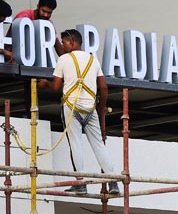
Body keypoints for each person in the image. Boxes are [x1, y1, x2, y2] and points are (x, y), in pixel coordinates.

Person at [38, 29, 120, 195]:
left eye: (64, 43)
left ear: (71, 41)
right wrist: (101, 108)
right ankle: (113, 183)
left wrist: (45, 83)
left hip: (71, 107)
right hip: (90, 108)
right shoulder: (93, 59)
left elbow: (56, 87)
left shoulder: (63, 59)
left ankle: (80, 184)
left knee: (76, 144)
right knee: (99, 145)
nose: (62, 46)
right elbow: (103, 88)